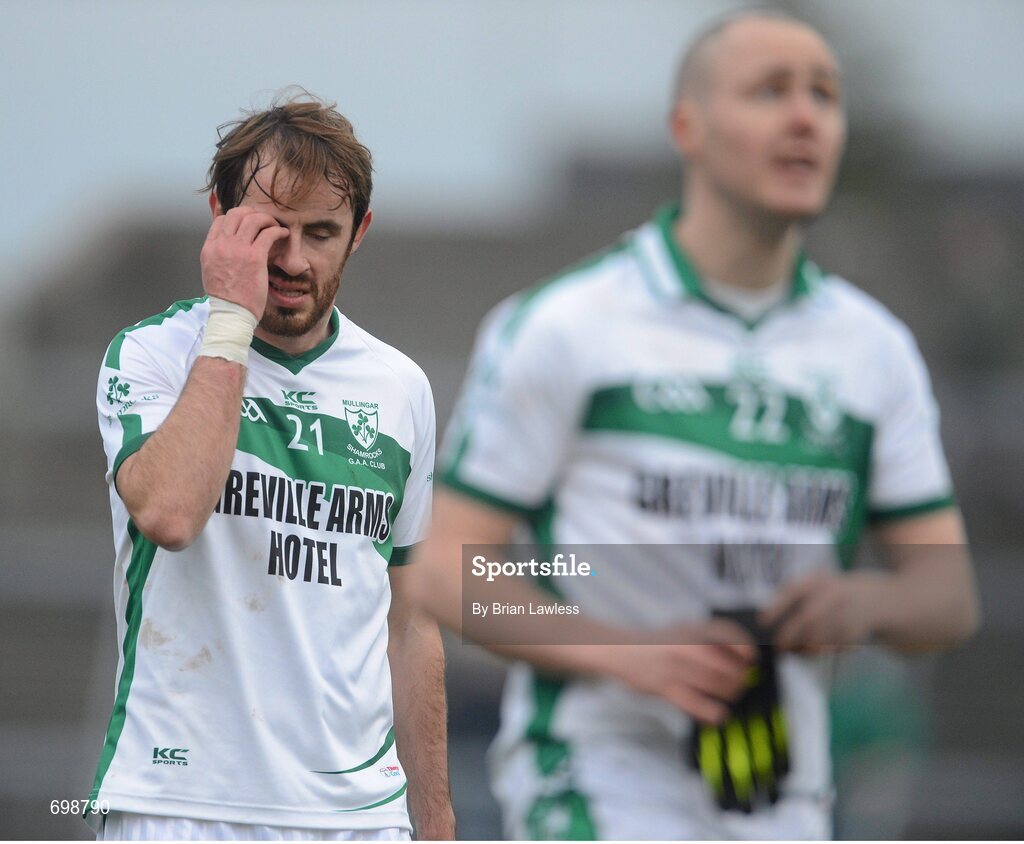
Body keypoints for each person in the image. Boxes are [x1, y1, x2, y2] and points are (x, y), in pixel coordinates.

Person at [410, 10, 979, 840]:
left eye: (825, 94)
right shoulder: (571, 323)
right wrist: (629, 655)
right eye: (769, 90)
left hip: (782, 797)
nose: (803, 117)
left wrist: (859, 604)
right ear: (689, 128)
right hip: (596, 786)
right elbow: (446, 569)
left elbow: (947, 597)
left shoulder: (874, 349)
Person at [88, 92, 454, 841]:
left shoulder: (400, 387)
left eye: (321, 233)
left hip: (360, 819)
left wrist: (436, 821)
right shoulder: (153, 354)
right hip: (184, 803)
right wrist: (231, 317)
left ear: (359, 235)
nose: (291, 260)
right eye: (267, 230)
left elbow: (409, 622)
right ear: (220, 218)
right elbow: (171, 513)